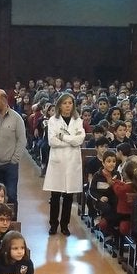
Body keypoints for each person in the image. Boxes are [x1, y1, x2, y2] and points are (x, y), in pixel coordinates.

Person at [43, 92, 85, 236]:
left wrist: (63, 136)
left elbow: (79, 140)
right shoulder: (53, 121)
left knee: (68, 197)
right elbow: (52, 142)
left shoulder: (77, 120)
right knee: (55, 196)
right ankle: (53, 224)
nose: (68, 106)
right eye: (65, 103)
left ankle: (65, 225)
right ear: (60, 105)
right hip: (58, 162)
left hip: (73, 162)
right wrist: (70, 140)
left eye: (70, 103)